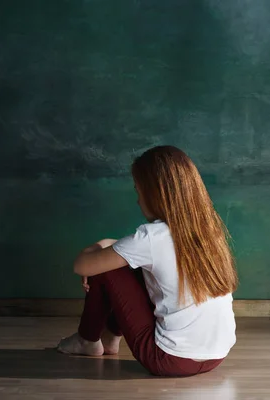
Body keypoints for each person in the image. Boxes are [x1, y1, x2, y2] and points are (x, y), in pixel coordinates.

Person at [57, 145, 238, 377]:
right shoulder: (208, 230)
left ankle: (87, 339)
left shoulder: (152, 237)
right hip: (216, 356)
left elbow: (81, 265)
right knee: (125, 261)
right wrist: (106, 245)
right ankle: (111, 338)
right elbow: (141, 249)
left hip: (169, 360)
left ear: (155, 194)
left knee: (108, 269)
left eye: (138, 191)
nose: (137, 201)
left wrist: (95, 248)